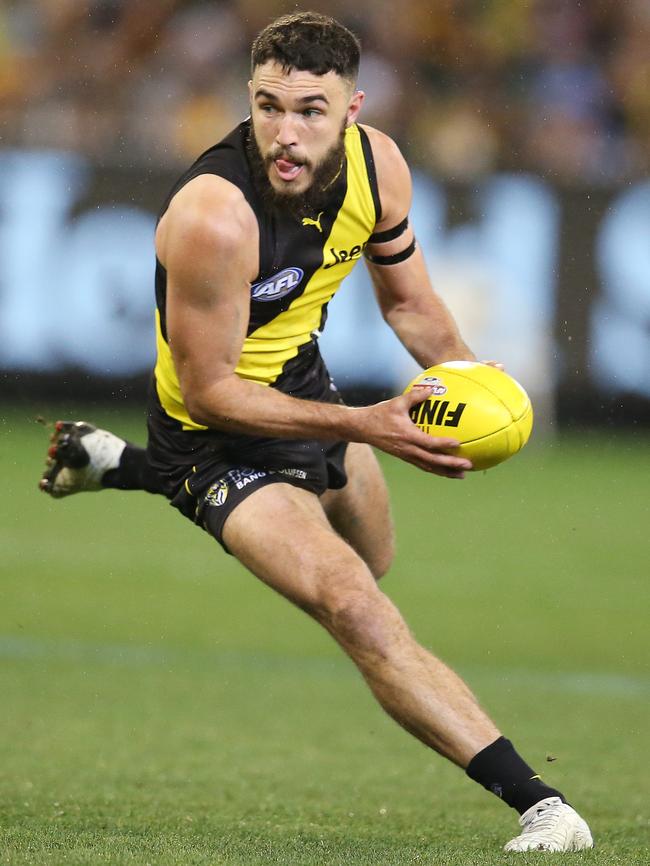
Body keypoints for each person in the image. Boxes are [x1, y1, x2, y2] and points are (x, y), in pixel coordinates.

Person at [40, 12, 593, 853]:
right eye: (268, 107)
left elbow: (410, 305)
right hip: (213, 435)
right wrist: (365, 423)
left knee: (374, 564)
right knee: (356, 607)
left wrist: (484, 388)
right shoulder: (213, 216)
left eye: (309, 111)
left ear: (353, 110)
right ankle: (543, 805)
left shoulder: (380, 168)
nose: (285, 134)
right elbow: (213, 389)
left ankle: (116, 466)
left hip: (301, 383)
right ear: (248, 100)